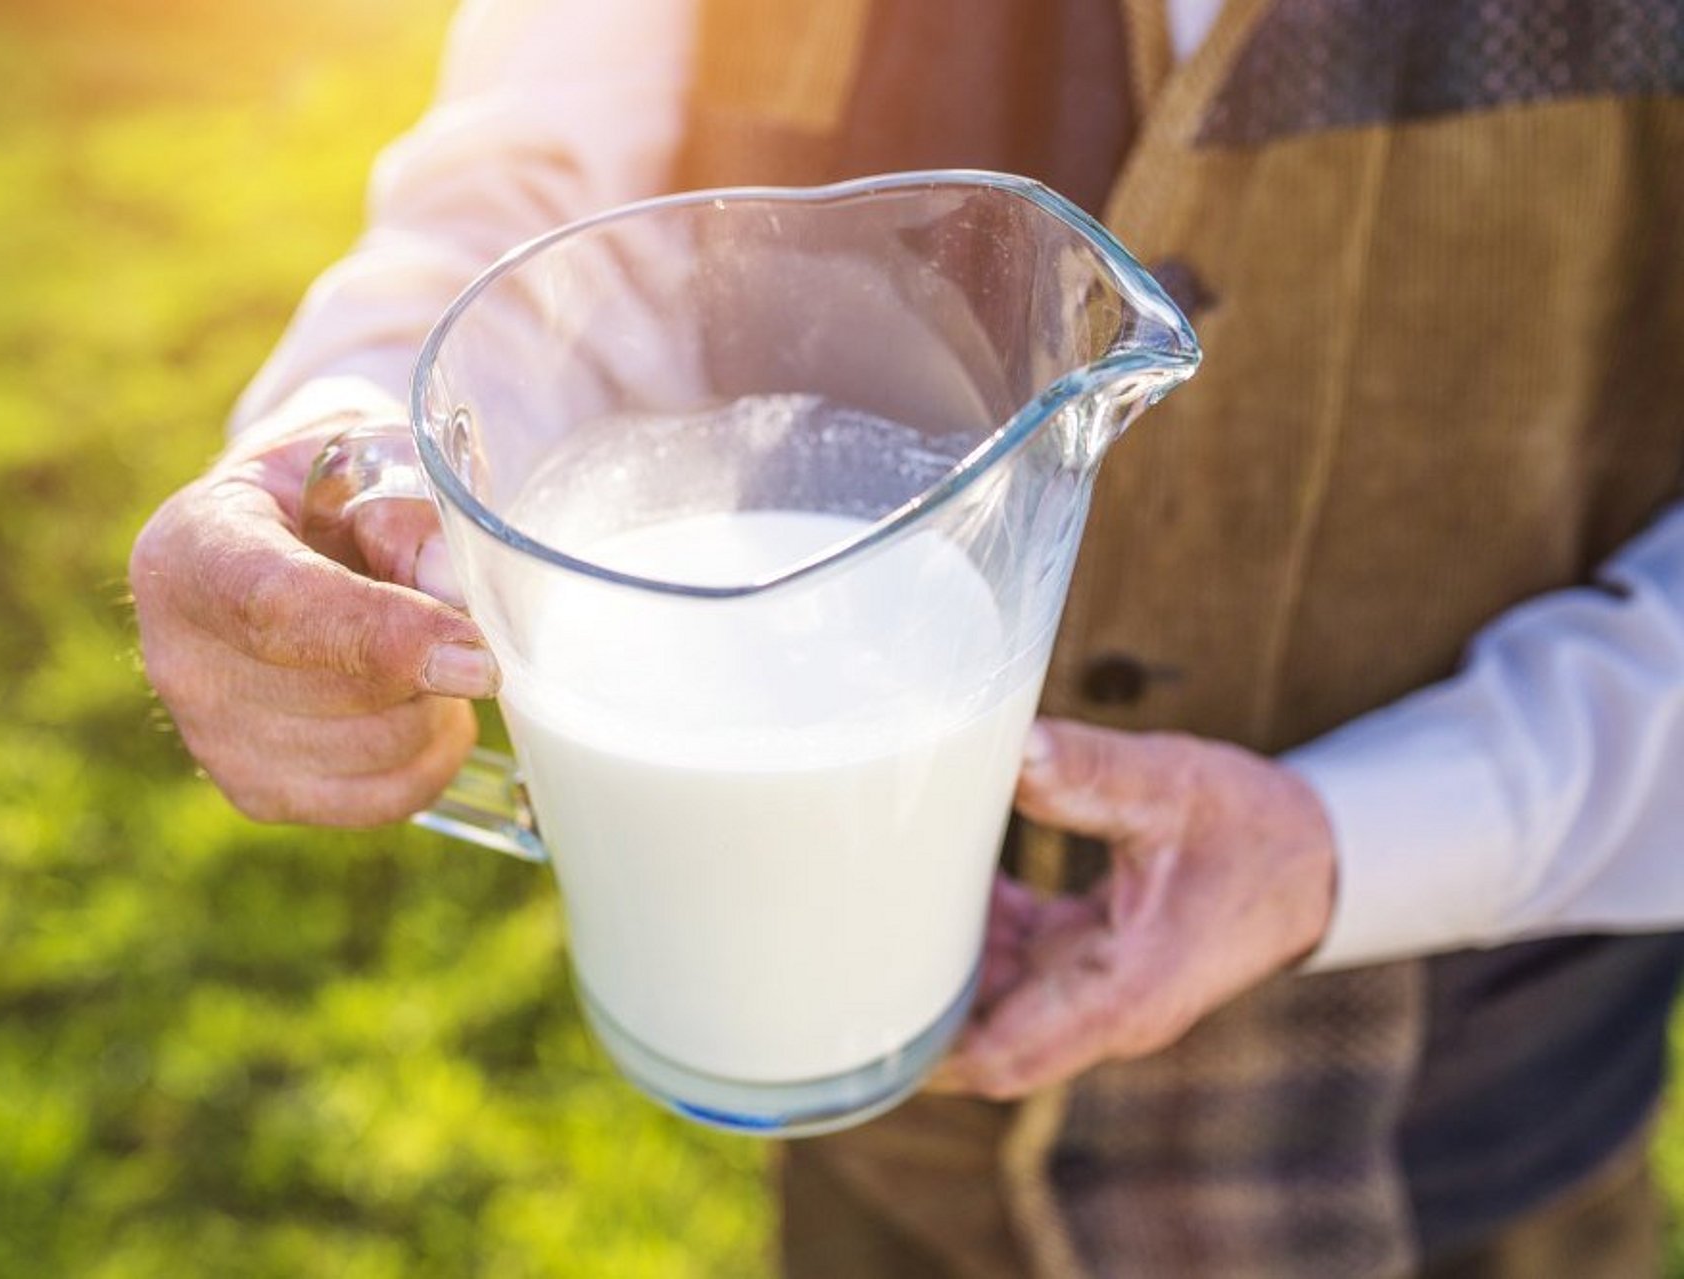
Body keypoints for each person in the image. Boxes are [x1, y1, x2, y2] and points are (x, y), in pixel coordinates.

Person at [128, 0, 1684, 1273]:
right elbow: (530, 195)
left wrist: (1376, 832)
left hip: (1469, 1142)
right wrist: (341, 474)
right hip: (886, 1170)